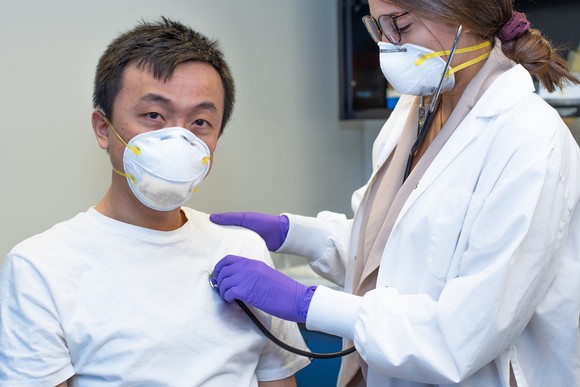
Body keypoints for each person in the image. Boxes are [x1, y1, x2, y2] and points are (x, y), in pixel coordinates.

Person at [209, 1, 580, 386]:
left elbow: (462, 336)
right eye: (378, 26)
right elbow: (390, 246)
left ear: (465, 17)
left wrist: (307, 304)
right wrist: (292, 234)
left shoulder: (530, 138)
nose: (387, 44)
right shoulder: (415, 109)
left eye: (400, 25)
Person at [0, 17, 310, 386]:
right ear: (104, 128)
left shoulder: (242, 250)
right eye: (153, 115)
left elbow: (278, 380)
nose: (177, 138)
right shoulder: (41, 267)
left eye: (199, 122)